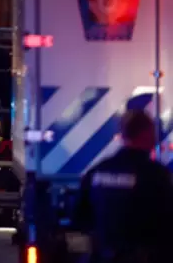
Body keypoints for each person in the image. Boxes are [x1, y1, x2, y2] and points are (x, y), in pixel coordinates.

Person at [72, 108, 173, 263]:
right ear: (146, 134)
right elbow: (167, 221)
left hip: (102, 256)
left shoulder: (98, 170)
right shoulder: (155, 175)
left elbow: (78, 216)